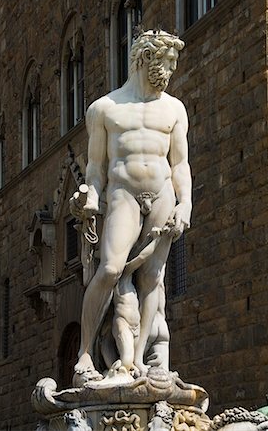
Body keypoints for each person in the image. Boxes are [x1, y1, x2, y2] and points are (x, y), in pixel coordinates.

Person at [71, 30, 192, 377]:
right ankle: (84, 354)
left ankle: (136, 360)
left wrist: (185, 205)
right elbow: (96, 170)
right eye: (166, 62)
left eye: (173, 64)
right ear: (144, 59)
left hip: (162, 192)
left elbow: (180, 164)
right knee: (109, 269)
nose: (170, 70)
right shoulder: (105, 109)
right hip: (122, 193)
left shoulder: (174, 109)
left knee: (154, 276)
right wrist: (90, 195)